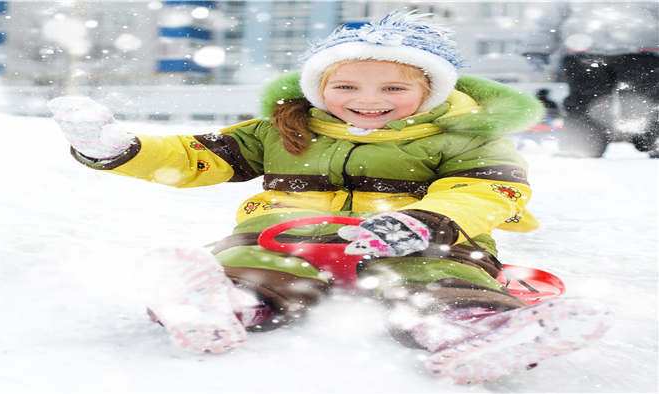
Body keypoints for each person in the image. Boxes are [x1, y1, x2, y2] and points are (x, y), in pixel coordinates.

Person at [49, 11, 610, 384]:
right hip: (284, 236)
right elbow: (197, 155)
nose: (369, 100)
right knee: (250, 262)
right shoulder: (279, 129)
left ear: (432, 90)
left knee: (433, 280)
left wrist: (427, 221)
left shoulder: (467, 134)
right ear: (320, 87)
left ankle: (475, 329)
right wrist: (118, 149)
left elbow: (491, 191)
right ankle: (222, 304)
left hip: (414, 241)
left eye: (394, 88)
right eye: (347, 86)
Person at [522, 2, 659, 158]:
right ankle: (582, 144)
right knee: (588, 100)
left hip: (611, 49)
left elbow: (549, 19)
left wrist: (537, 47)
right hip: (621, 50)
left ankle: (582, 144)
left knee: (643, 100)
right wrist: (536, 47)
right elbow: (551, 17)